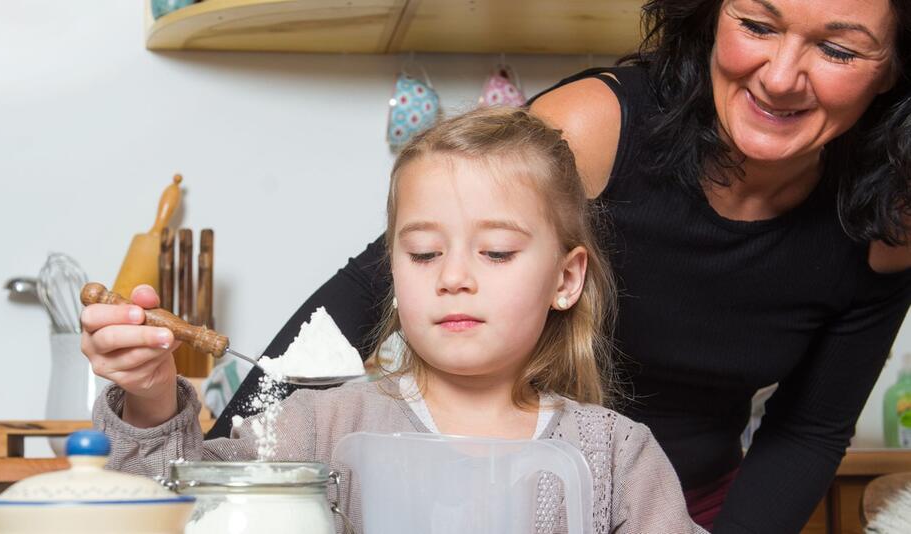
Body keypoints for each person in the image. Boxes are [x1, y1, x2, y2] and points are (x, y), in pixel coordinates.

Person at [209, 0, 911, 532]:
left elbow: (807, 431)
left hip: (686, 507)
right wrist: (224, 470)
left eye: (838, 51)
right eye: (757, 25)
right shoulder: (595, 128)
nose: (781, 77)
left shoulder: (890, 220)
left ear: (896, 68)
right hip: (511, 496)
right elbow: (362, 297)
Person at [82, 107, 705, 533]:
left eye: (496, 252)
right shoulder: (322, 426)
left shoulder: (620, 457)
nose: (453, 277)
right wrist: (150, 397)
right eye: (424, 253)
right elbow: (174, 510)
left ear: (565, 280)